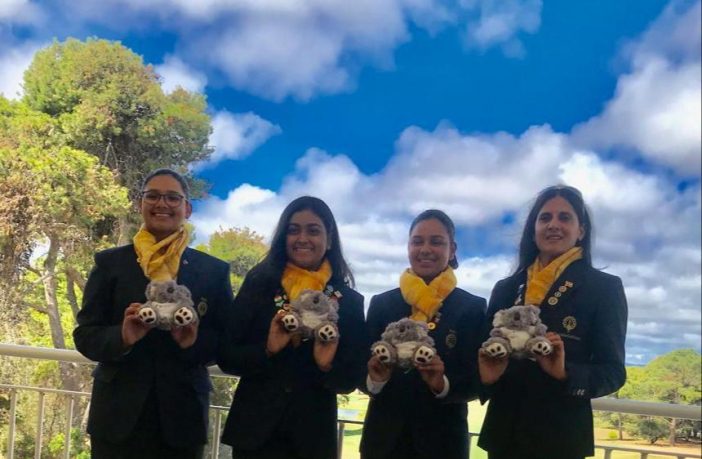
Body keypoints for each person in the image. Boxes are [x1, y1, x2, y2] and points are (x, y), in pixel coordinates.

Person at [73, 168, 234, 459]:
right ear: (140, 204)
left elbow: (226, 342)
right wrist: (122, 337)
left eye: (173, 197)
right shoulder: (111, 263)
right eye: (153, 196)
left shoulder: (213, 271)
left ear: (187, 208)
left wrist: (192, 342)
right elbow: (85, 335)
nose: (163, 204)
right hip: (117, 417)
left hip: (182, 419)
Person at [477, 185, 628, 459]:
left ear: (581, 231)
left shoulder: (603, 288)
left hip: (562, 440)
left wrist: (564, 373)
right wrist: (487, 378)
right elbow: (485, 355)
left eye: (564, 217)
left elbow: (613, 372)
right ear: (533, 229)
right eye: (544, 218)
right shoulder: (506, 288)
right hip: (503, 436)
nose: (553, 225)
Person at [218, 196, 367, 459]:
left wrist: (326, 365)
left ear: (329, 239)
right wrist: (267, 350)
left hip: (312, 439)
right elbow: (227, 355)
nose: (302, 238)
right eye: (293, 229)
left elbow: (350, 379)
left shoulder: (349, 302)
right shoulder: (259, 284)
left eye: (313, 230)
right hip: (255, 436)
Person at [360, 209, 487, 459]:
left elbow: (477, 381)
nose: (425, 249)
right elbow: (359, 371)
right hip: (383, 443)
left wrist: (442, 384)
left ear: (452, 250)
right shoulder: (382, 304)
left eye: (437, 241)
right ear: (408, 247)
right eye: (417, 241)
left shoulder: (471, 308)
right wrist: (375, 380)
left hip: (443, 444)